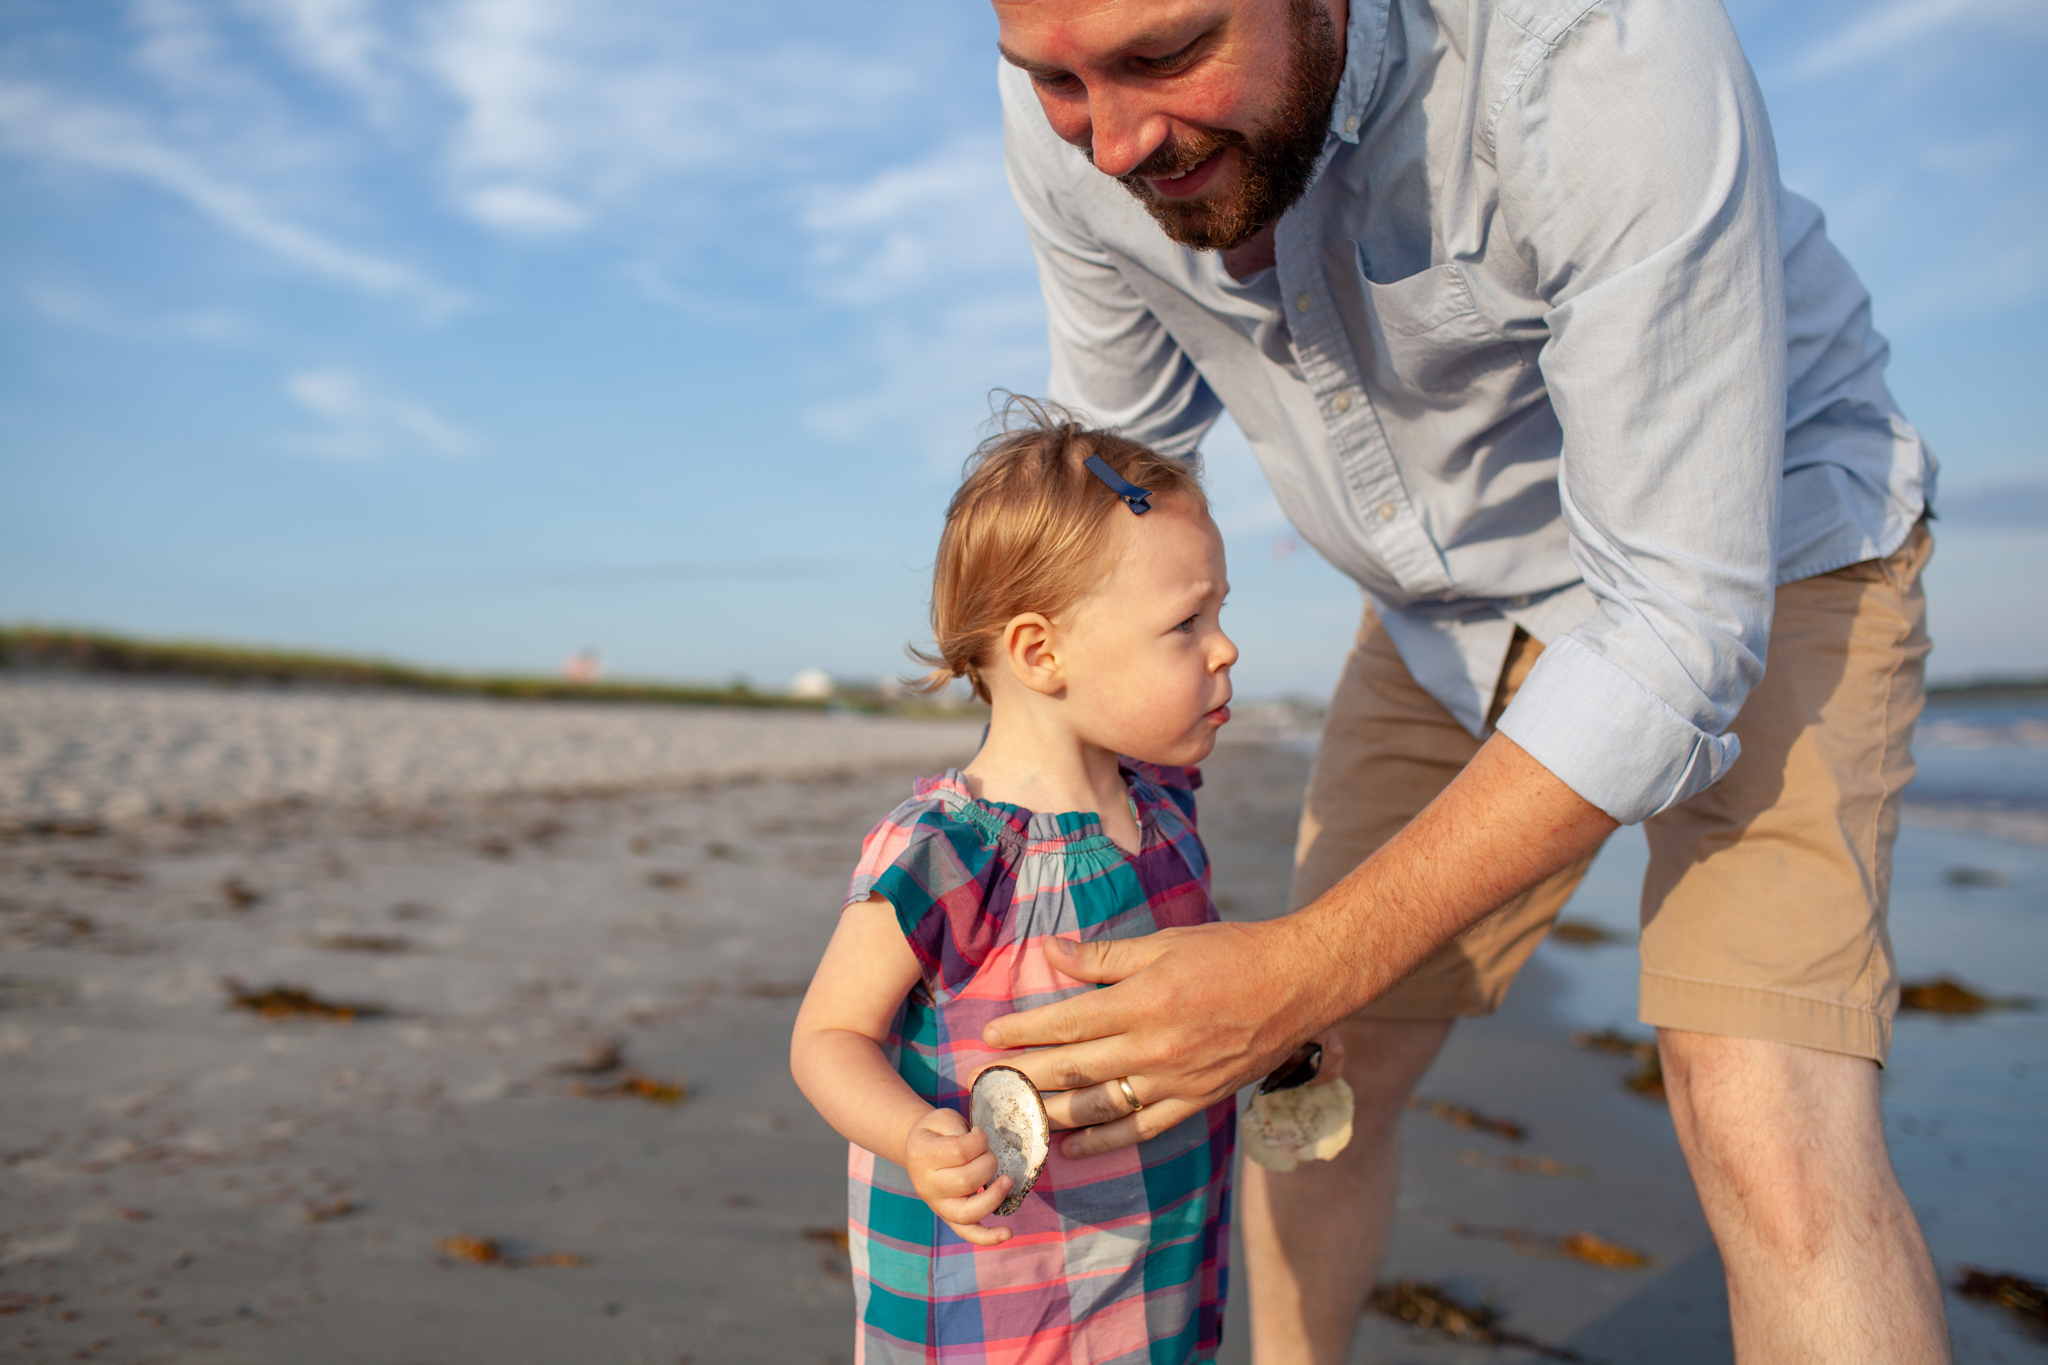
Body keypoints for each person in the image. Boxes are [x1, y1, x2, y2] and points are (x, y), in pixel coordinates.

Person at [979, 0, 1949, 1360]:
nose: (1117, 137)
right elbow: (1114, 461)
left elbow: (1672, 627)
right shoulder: (1068, 103)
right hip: (1447, 604)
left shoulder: (1597, 50)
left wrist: (1300, 963)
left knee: (1762, 1108)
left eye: (1165, 54)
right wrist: (1009, 799)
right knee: (1311, 1078)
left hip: (1758, 545)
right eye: (1061, 79)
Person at [789, 406, 1242, 1362]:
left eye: (1220, 613)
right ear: (1042, 653)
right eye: (1186, 622)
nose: (1225, 647)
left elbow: (1196, 991)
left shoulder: (1164, 810)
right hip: (995, 1294)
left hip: (1158, 1256)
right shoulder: (945, 852)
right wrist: (915, 1136)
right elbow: (827, 1037)